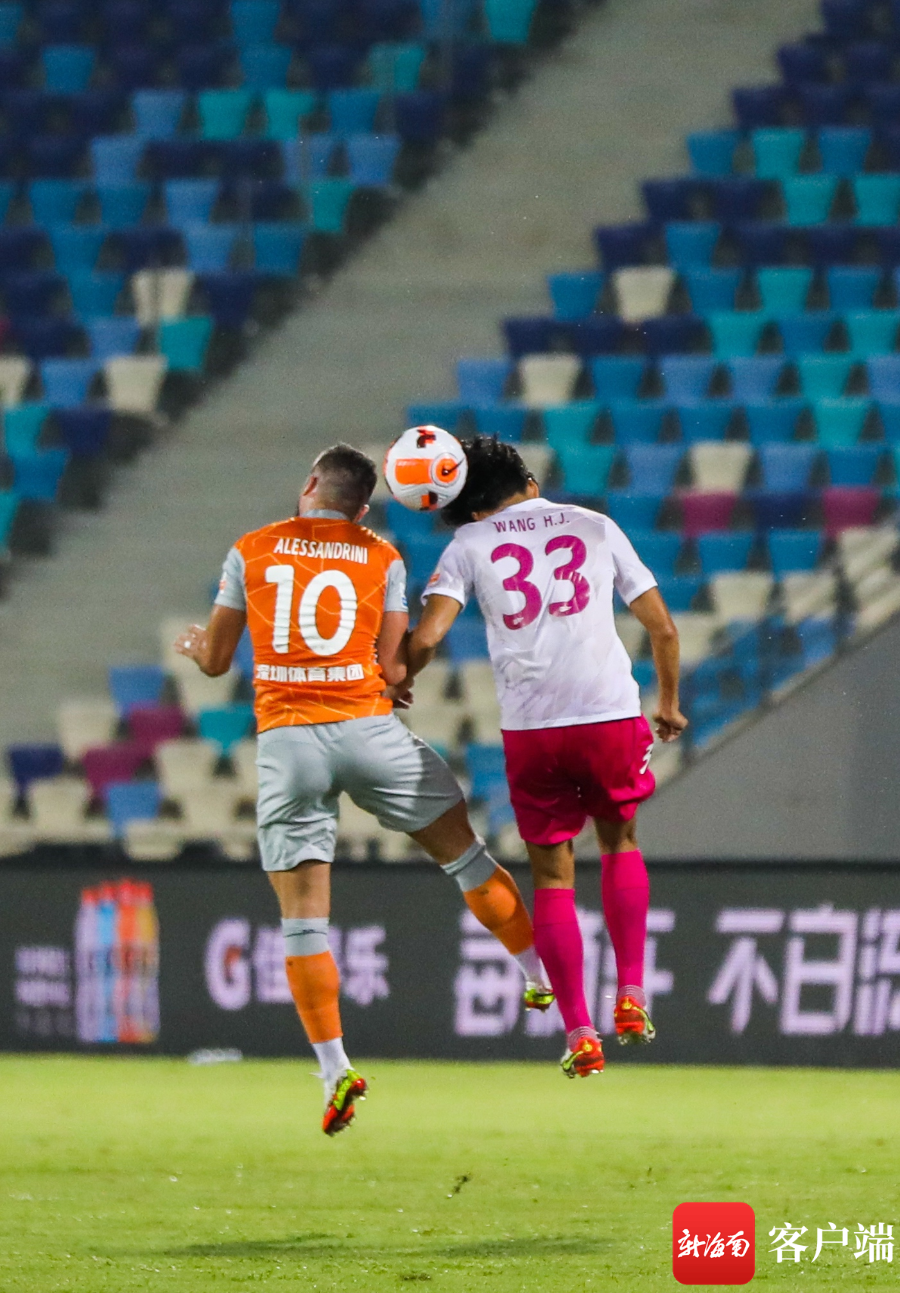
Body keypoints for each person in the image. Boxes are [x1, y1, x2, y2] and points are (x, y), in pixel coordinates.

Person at [175, 444, 552, 1136]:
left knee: (303, 919)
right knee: (466, 856)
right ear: (364, 505)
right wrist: (394, 680)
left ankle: (335, 1068)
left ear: (310, 485)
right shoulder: (382, 556)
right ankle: (538, 975)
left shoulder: (251, 549)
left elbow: (219, 660)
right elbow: (393, 668)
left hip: (290, 743)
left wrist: (199, 648)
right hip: (368, 731)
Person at [406, 436, 687, 1080]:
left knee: (553, 878)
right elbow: (663, 627)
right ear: (529, 482)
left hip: (533, 730)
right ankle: (632, 993)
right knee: (619, 844)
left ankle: (580, 1031)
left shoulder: (468, 544)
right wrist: (669, 705)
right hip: (608, 715)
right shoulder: (594, 524)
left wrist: (401, 676)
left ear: (472, 505)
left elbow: (428, 636)